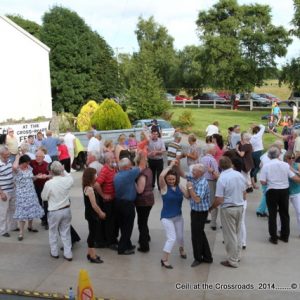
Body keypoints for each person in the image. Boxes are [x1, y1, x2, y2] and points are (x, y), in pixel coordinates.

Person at [210, 156, 246, 268]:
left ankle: (232, 260)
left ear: (220, 166)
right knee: (237, 232)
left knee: (230, 235)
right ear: (231, 164)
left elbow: (219, 199)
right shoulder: (239, 175)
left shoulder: (222, 178)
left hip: (228, 208)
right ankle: (237, 255)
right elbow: (244, 193)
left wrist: (211, 207)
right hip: (240, 206)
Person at [260, 147, 300, 244]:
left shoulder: (266, 166)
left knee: (272, 214)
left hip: (272, 190)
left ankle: (273, 237)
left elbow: (263, 181)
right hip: (284, 191)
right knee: (284, 214)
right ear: (279, 155)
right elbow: (294, 178)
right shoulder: (285, 165)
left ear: (269, 155)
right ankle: (285, 236)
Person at [159, 160, 189, 269]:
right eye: (169, 179)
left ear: (176, 178)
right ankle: (164, 259)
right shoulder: (164, 187)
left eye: (173, 179)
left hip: (178, 216)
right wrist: (170, 166)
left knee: (180, 237)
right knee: (171, 238)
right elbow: (161, 175)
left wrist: (190, 187)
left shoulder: (180, 187)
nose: (171, 181)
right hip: (166, 217)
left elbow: (188, 196)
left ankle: (181, 249)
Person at [41, 161, 74, 261]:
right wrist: (64, 170)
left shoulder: (49, 183)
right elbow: (70, 177)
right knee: (66, 232)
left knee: (53, 232)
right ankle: (68, 254)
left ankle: (54, 252)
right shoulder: (67, 180)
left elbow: (44, 197)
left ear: (51, 171)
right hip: (66, 209)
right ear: (61, 170)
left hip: (54, 211)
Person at [114, 158, 143, 255]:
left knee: (123, 226)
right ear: (126, 167)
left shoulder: (117, 175)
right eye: (130, 165)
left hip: (118, 203)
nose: (132, 167)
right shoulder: (129, 174)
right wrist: (143, 154)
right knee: (128, 227)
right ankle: (122, 249)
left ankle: (128, 244)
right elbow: (142, 166)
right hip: (127, 204)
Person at [186, 164, 213, 267]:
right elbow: (183, 174)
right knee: (200, 234)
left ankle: (198, 258)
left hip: (200, 212)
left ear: (200, 173)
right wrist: (176, 163)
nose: (192, 173)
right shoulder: (195, 177)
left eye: (194, 171)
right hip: (196, 211)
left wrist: (190, 187)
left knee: (196, 236)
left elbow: (197, 199)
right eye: (192, 171)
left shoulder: (201, 182)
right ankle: (207, 257)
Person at [13, 154, 45, 241]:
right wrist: (17, 157)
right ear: (21, 162)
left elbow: (31, 178)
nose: (27, 164)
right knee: (22, 214)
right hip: (22, 195)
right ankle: (21, 233)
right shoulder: (17, 170)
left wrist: (37, 177)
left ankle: (30, 226)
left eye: (28, 163)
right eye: (26, 163)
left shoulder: (29, 168)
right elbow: (15, 167)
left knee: (32, 210)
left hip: (31, 192)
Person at [94, 152, 118, 249]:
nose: (115, 159)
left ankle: (113, 239)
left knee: (113, 221)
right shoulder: (105, 170)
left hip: (113, 199)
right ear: (108, 160)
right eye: (113, 157)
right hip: (108, 201)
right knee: (109, 221)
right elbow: (96, 184)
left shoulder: (113, 168)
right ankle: (110, 242)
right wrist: (103, 195)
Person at [82, 168, 106, 263]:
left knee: (92, 232)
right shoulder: (90, 189)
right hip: (92, 215)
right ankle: (92, 256)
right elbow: (94, 205)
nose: (97, 176)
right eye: (96, 174)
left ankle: (90, 253)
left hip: (90, 214)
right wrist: (101, 213)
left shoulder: (88, 186)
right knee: (93, 234)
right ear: (91, 176)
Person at [135, 152, 154, 252]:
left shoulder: (142, 173)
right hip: (149, 199)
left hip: (143, 201)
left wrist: (133, 183)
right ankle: (146, 237)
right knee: (144, 221)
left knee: (141, 222)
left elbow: (139, 190)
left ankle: (144, 246)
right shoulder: (149, 170)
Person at [200, 144, 219, 230]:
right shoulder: (213, 160)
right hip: (211, 182)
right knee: (212, 202)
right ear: (211, 151)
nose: (216, 151)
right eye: (215, 149)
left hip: (202, 181)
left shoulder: (201, 159)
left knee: (203, 201)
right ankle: (213, 223)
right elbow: (216, 175)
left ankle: (204, 218)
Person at [0, 145, 18, 237]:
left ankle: (13, 226)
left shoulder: (9, 161)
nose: (8, 156)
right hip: (4, 191)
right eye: (6, 155)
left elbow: (13, 172)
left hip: (12, 189)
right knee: (3, 212)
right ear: (1, 154)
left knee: (13, 209)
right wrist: (1, 193)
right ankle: (3, 231)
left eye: (8, 154)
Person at [31, 150, 50, 230]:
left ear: (43, 157)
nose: (37, 158)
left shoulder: (46, 165)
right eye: (36, 156)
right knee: (38, 203)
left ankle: (47, 221)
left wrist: (46, 176)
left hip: (45, 186)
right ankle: (43, 218)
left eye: (39, 156)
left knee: (46, 203)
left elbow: (51, 175)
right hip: (36, 186)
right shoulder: (32, 163)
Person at [284, 151, 300, 237]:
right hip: (286, 193)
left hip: (296, 192)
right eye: (289, 158)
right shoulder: (283, 166)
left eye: (293, 158)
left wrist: (293, 170)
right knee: (283, 212)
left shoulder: (297, 166)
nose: (291, 160)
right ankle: (280, 229)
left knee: (299, 212)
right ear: (286, 158)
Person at [250, 124, 265, 189]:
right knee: (258, 166)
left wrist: (250, 128)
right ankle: (252, 176)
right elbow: (263, 127)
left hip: (252, 153)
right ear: (258, 131)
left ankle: (253, 182)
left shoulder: (250, 137)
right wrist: (256, 124)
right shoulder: (259, 135)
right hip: (258, 153)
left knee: (253, 167)